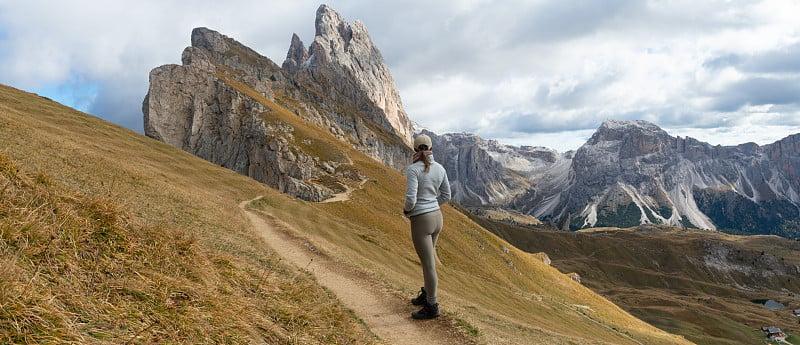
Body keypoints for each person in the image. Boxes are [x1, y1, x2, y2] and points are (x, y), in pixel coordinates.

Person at [403, 134, 451, 319]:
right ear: (431, 147)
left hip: (422, 220)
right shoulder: (440, 168)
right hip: (437, 218)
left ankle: (432, 305)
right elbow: (447, 195)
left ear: (415, 149)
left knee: (429, 264)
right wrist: (432, 205)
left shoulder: (413, 169)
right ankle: (426, 294)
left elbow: (410, 199)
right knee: (428, 261)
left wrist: (408, 211)